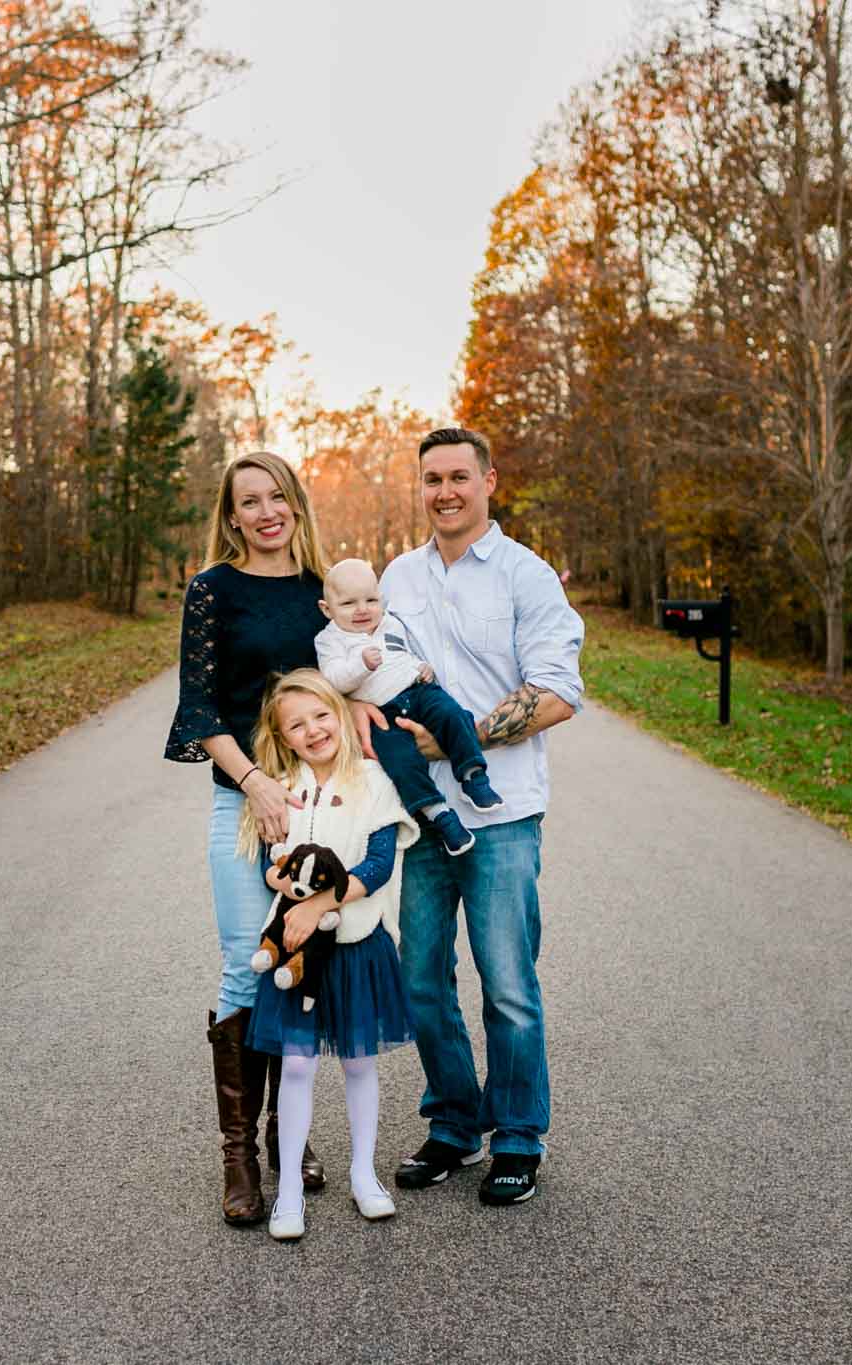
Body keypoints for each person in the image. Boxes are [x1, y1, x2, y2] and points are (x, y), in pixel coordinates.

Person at [366, 426, 584, 1208]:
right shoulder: (395, 576)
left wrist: (454, 735)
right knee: (421, 979)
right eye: (432, 479)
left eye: (460, 476)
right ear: (419, 487)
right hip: (420, 819)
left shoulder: (525, 576)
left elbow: (557, 690)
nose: (446, 491)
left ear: (491, 480)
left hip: (503, 816)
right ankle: (455, 1123)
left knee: (507, 984)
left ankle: (519, 1137)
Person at [163, 451, 331, 1225]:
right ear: (231, 517)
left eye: (276, 497)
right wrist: (256, 783)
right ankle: (239, 1156)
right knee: (244, 965)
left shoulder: (323, 593)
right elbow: (200, 710)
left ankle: (287, 1136)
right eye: (248, 502)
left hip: (320, 810)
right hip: (242, 804)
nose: (265, 512)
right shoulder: (212, 591)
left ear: (294, 503)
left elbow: (357, 687)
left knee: (300, 969)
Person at [241, 669, 421, 1241]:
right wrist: (285, 885)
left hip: (356, 944)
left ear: (340, 715)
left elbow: (377, 865)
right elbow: (277, 863)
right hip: (295, 951)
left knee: (358, 1062)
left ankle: (364, 1174)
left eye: (321, 715)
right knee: (295, 1065)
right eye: (297, 724)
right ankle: (289, 1188)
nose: (313, 730)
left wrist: (319, 904)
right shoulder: (283, 788)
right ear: (283, 736)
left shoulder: (373, 781)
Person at [313, 557, 501, 857]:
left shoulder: (390, 623)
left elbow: (404, 655)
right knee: (399, 760)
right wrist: (360, 665)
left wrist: (423, 667)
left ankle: (473, 775)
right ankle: (438, 814)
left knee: (453, 715)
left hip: (418, 690)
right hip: (381, 712)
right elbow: (333, 679)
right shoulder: (329, 640)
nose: (363, 610)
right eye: (349, 603)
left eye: (371, 600)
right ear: (327, 609)